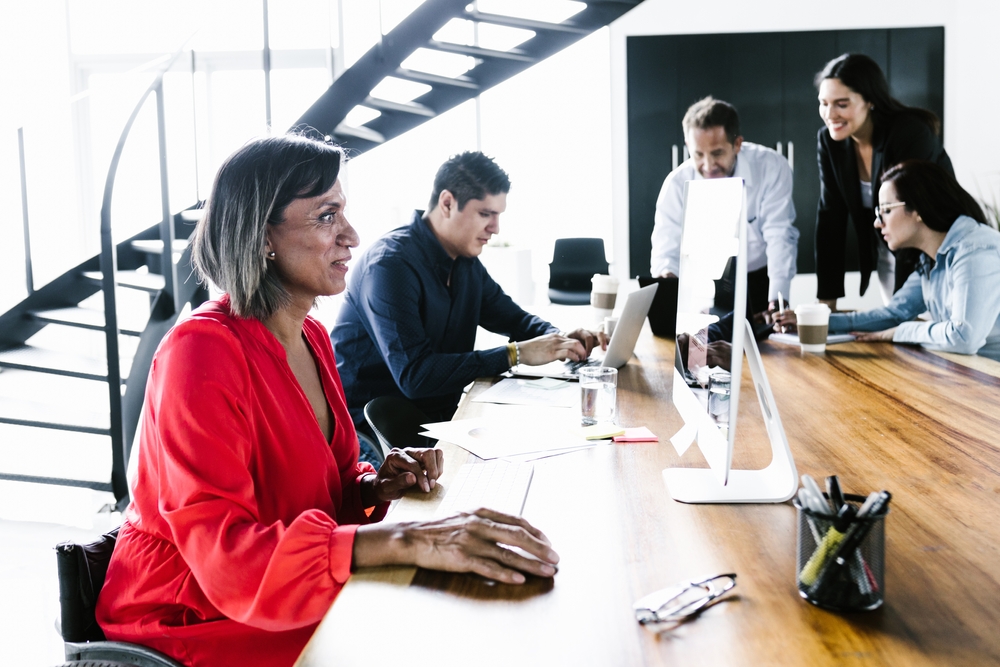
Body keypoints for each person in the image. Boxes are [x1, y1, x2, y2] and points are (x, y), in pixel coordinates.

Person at [96, 135, 560, 667]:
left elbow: (326, 489)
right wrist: (403, 538)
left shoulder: (312, 336)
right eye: (326, 216)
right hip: (193, 613)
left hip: (273, 585)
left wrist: (374, 483)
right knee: (418, 637)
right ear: (262, 235)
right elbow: (224, 557)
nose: (352, 236)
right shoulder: (199, 352)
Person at [331, 151, 604, 444]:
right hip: (375, 436)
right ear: (447, 203)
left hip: (442, 421)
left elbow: (514, 319)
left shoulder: (465, 262)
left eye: (498, 215)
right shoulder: (389, 265)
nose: (495, 228)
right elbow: (415, 376)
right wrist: (516, 353)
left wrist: (560, 340)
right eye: (485, 214)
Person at [774, 160, 1000, 361]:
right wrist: (818, 322)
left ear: (918, 209)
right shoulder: (931, 258)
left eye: (886, 210)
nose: (877, 222)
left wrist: (900, 332)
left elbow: (963, 337)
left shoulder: (975, 250)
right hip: (970, 375)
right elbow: (894, 313)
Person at [815, 53, 954, 309]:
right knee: (896, 332)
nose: (829, 114)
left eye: (841, 104)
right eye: (824, 103)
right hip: (888, 246)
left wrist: (900, 311)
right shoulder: (829, 142)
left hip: (934, 248)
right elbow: (830, 218)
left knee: (917, 330)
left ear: (869, 101)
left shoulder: (908, 133)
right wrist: (826, 305)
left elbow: (910, 215)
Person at [649, 96, 799, 317]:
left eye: (717, 153)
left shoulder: (771, 167)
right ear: (689, 145)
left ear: (737, 144)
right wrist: (668, 283)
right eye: (698, 154)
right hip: (702, 282)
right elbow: (666, 246)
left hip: (758, 279)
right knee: (703, 348)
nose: (708, 165)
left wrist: (778, 300)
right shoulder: (676, 184)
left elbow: (779, 235)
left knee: (764, 346)